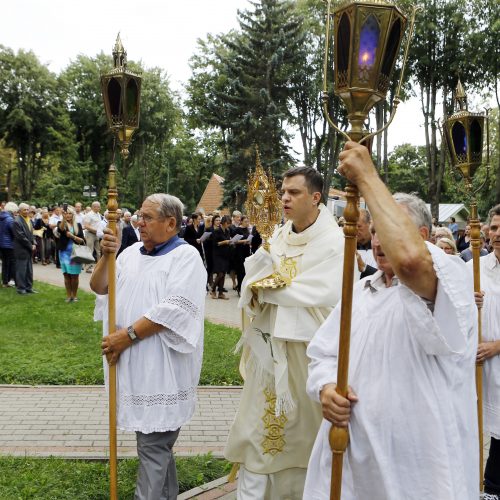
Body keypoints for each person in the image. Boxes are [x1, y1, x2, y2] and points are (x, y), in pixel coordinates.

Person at [304, 142, 478, 500]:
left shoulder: (448, 280)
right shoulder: (362, 289)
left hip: (416, 470)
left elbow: (411, 263)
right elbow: (323, 353)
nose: (379, 241)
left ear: (425, 237)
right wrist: (325, 388)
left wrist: (366, 175)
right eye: (376, 230)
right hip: (352, 462)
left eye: (389, 229)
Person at [225, 166, 346, 499]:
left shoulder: (334, 240)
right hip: (269, 352)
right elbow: (258, 273)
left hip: (307, 355)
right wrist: (256, 284)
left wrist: (263, 288)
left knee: (299, 437)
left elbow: (321, 291)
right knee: (257, 430)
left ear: (316, 197)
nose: (285, 198)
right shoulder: (278, 235)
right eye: (283, 192)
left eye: (294, 192)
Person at [90, 193, 206, 499]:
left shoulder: (186, 258)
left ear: (170, 223)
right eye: (139, 216)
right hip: (133, 369)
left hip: (161, 371)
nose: (139, 222)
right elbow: (100, 286)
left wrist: (125, 337)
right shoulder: (129, 254)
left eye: (147, 217)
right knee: (156, 448)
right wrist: (106, 255)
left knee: (153, 446)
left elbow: (174, 310)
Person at [470, 204, 500, 499]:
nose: (497, 233)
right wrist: (469, 305)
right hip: (478, 370)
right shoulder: (473, 270)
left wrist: (497, 346)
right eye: (494, 227)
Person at [57, 207, 86, 302]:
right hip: (64, 254)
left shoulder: (78, 225)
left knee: (74, 275)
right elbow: (61, 230)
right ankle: (69, 295)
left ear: (73, 215)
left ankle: (75, 295)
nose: (68, 215)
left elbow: (82, 240)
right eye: (66, 213)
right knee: (66, 275)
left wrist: (73, 236)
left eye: (70, 213)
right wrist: (63, 218)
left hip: (75, 253)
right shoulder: (61, 224)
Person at [12, 203, 37, 294]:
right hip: (21, 249)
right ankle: (21, 288)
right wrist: (31, 246)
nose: (26, 211)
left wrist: (34, 243)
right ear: (19, 211)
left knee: (29, 270)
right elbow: (21, 237)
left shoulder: (29, 220)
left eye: (27, 210)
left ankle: (29, 287)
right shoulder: (16, 221)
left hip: (28, 249)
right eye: (24, 210)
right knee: (21, 270)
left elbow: (31, 233)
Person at [211, 215, 231, 300]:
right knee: (220, 274)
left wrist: (230, 242)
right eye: (227, 223)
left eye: (229, 223)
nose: (228, 225)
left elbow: (228, 240)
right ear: (223, 223)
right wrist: (225, 241)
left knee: (223, 274)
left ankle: (221, 293)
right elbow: (215, 244)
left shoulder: (227, 231)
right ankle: (213, 290)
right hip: (218, 255)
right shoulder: (217, 231)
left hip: (225, 255)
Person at [0, 201, 18, 287]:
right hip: (9, 244)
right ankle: (14, 280)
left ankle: (4, 282)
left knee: (5, 263)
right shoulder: (10, 219)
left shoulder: (1, 217)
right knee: (13, 262)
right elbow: (14, 232)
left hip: (1, 244)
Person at [83, 201, 102, 272]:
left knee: (98, 251)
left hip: (97, 234)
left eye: (99, 206)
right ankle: (88, 267)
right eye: (98, 207)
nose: (99, 208)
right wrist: (96, 231)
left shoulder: (98, 214)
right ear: (93, 207)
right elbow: (86, 226)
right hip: (90, 234)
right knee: (89, 250)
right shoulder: (89, 215)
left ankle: (99, 266)